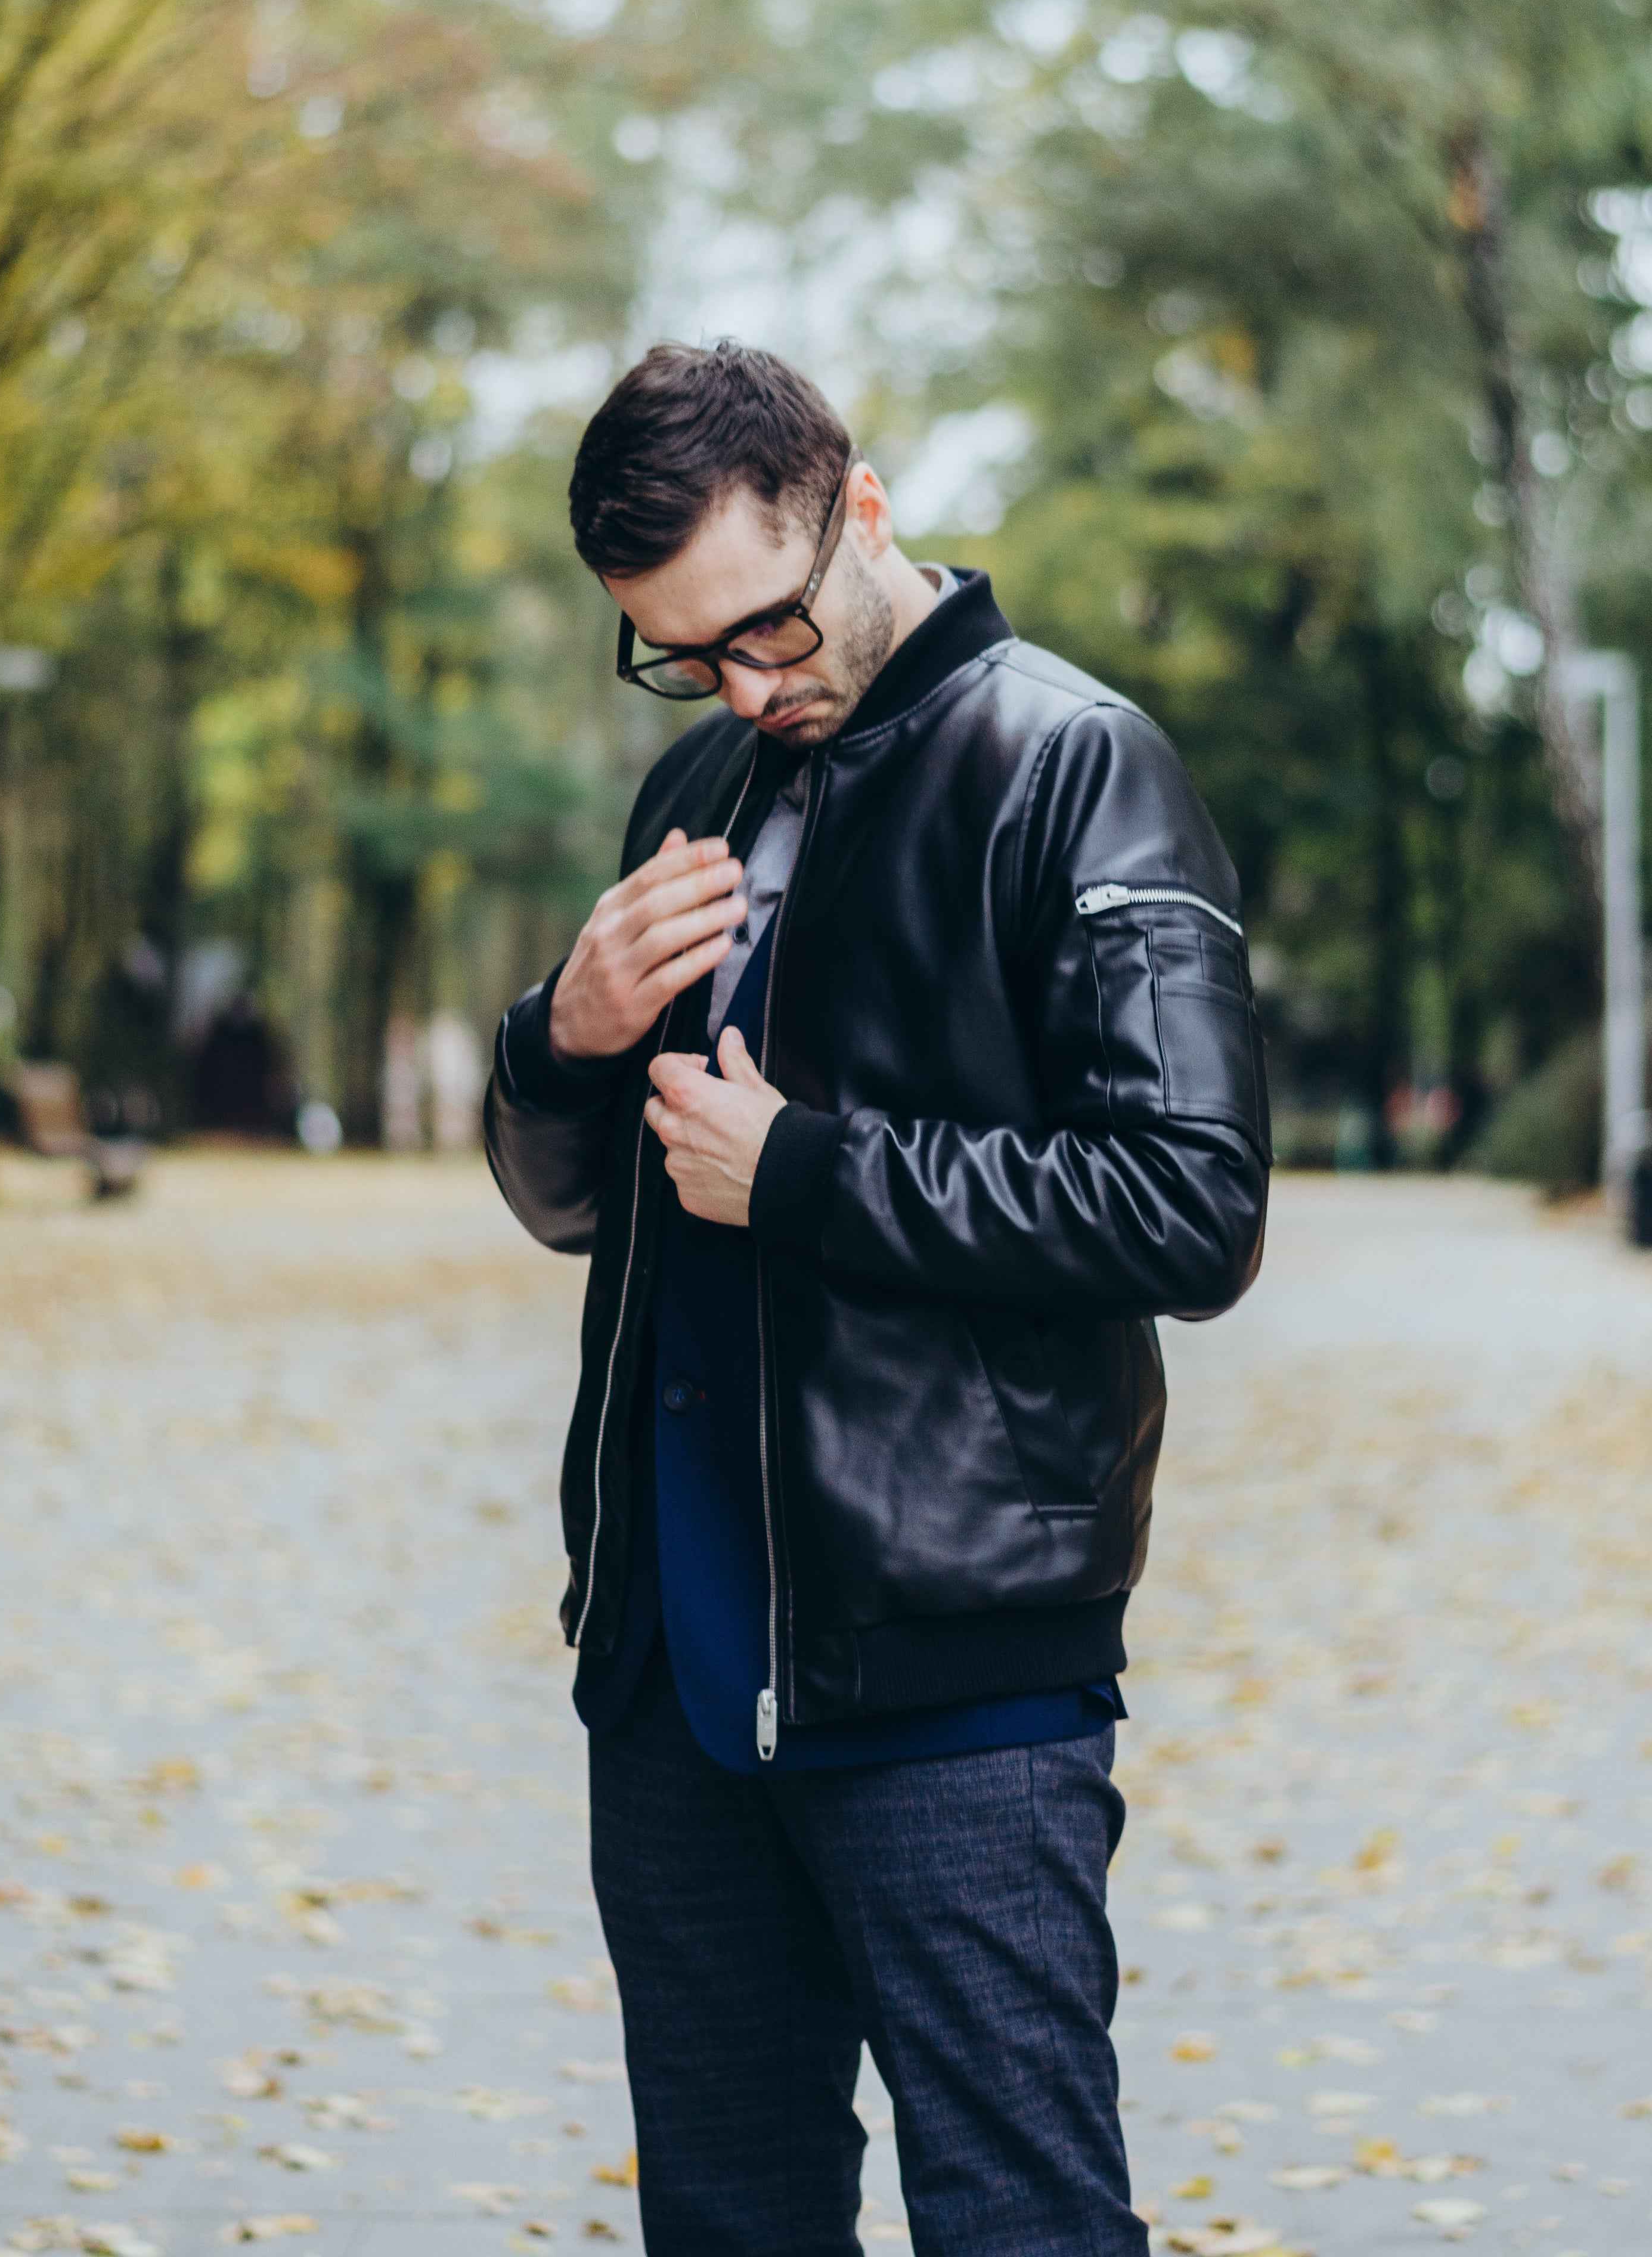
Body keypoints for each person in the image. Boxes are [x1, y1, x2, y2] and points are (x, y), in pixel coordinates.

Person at [483, 341, 1270, 2257]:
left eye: (766, 625)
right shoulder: (695, 782)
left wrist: (815, 1174)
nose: (752, 687)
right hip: (675, 1681)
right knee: (733, 2227)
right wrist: (561, 1038)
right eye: (686, 654)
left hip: (950, 1679)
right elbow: (573, 1205)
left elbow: (1193, 1204)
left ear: (862, 507)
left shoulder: (1073, 763)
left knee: (1021, 2223)